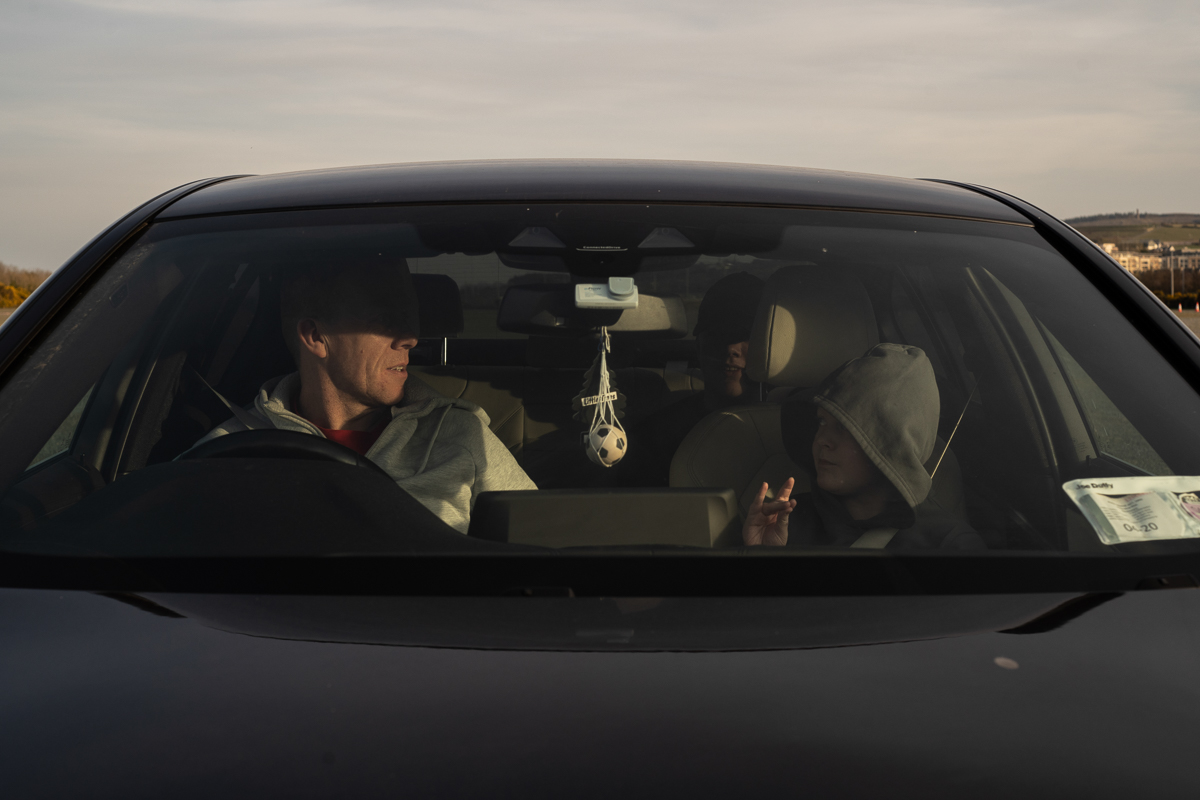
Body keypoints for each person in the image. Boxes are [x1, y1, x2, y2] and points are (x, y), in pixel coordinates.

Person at [194, 256, 536, 533]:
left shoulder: (462, 433)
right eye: (385, 319)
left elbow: (538, 546)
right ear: (315, 336)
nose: (410, 338)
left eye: (409, 318)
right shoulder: (228, 453)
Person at [742, 343, 982, 549]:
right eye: (822, 421)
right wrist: (761, 557)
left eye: (845, 427)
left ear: (891, 442)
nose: (821, 439)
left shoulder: (950, 546)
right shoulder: (784, 522)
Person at [619, 271, 766, 485]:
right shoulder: (658, 436)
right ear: (698, 347)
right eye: (718, 334)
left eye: (745, 335)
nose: (730, 348)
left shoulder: (799, 431)